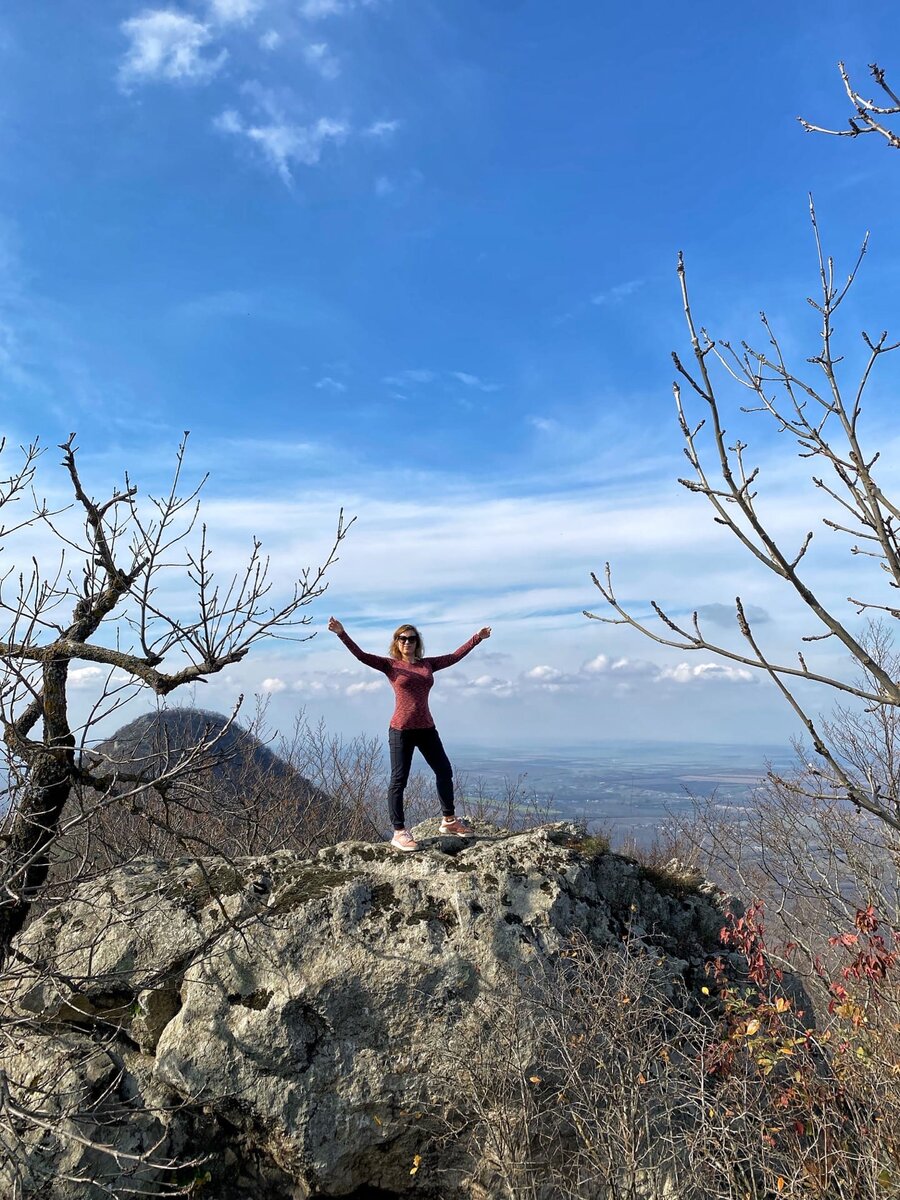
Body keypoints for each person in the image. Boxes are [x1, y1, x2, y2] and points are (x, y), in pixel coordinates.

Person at [328, 617, 492, 851]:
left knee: (444, 771)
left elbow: (453, 657)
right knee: (399, 780)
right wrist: (341, 633)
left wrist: (477, 638)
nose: (407, 642)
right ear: (396, 642)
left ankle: (449, 820)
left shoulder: (427, 665)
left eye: (412, 639)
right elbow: (361, 656)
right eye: (402, 638)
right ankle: (399, 832)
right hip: (401, 730)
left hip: (426, 728)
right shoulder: (390, 665)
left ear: (417, 643)